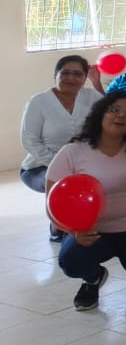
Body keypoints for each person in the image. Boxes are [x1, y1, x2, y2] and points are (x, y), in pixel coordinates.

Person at [47, 91, 126, 311]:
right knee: (71, 261)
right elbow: (53, 203)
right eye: (114, 109)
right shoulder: (72, 152)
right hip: (95, 232)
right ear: (100, 113)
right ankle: (93, 278)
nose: (121, 115)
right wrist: (73, 232)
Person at [21, 55, 103, 239]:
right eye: (65, 73)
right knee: (66, 181)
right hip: (39, 167)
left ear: (85, 78)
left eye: (77, 74)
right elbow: (29, 140)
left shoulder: (91, 97)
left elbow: (112, 114)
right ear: (55, 76)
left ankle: (91, 221)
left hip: (83, 165)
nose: (71, 78)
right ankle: (58, 222)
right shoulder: (38, 102)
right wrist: (60, 164)